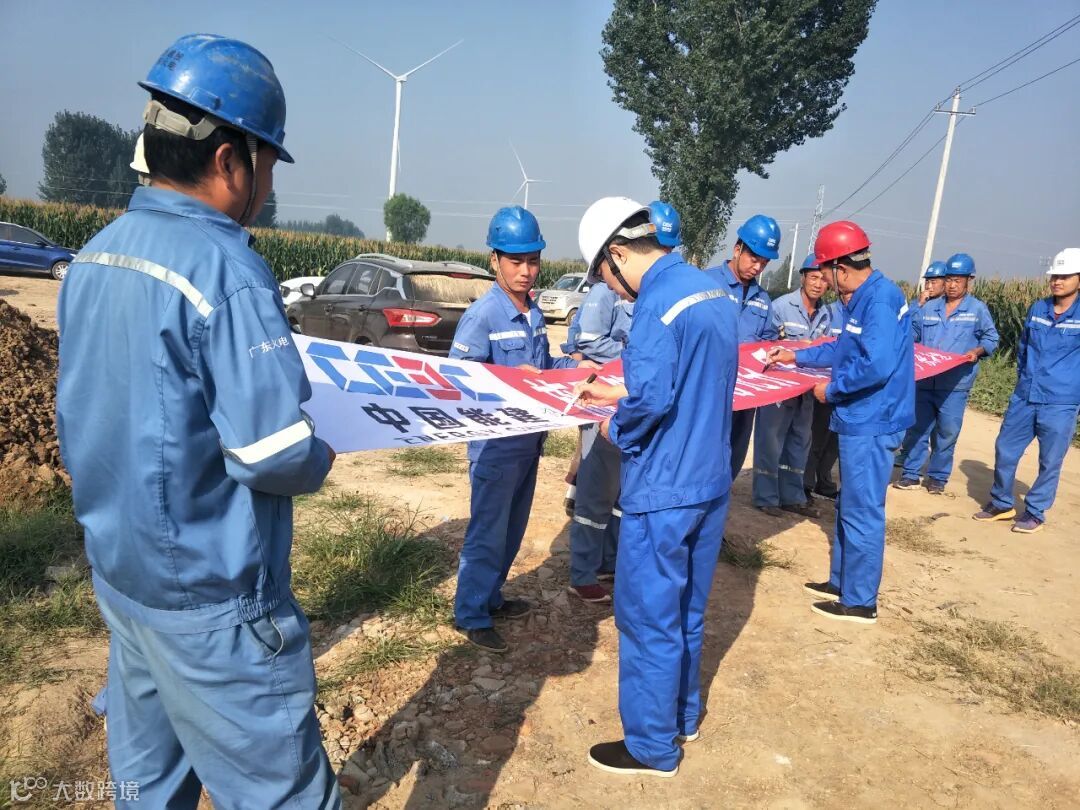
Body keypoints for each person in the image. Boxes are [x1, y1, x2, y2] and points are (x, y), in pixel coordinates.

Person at [55, 34, 341, 808]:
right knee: (285, 795)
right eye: (269, 162)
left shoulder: (96, 256)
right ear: (228, 160)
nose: (268, 184)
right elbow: (271, 452)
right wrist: (324, 451)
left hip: (125, 583)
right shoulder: (227, 270)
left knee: (149, 789)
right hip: (214, 611)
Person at [573, 197, 738, 777]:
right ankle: (682, 716)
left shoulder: (654, 306)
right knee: (688, 611)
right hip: (710, 480)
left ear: (618, 254)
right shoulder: (711, 291)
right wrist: (620, 391)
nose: (608, 286)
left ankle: (651, 747)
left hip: (664, 489)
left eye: (603, 274)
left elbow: (652, 402)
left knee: (648, 619)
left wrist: (612, 424)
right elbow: (690, 381)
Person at [448, 206, 584, 653]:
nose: (526, 271)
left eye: (533, 260)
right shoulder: (483, 315)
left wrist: (577, 367)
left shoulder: (533, 313)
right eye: (516, 261)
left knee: (511, 531)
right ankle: (470, 614)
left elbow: (543, 366)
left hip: (529, 444)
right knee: (487, 533)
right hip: (495, 448)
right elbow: (459, 380)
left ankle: (492, 598)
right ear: (495, 260)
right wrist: (509, 379)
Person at [766, 221, 914, 625]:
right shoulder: (863, 297)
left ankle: (860, 602)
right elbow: (844, 347)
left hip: (873, 419)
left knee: (863, 509)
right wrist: (797, 356)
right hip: (862, 417)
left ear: (841, 268)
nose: (824, 280)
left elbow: (876, 364)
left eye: (825, 271)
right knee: (849, 504)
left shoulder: (878, 301)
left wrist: (831, 390)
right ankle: (842, 583)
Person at [560, 201, 680, 520]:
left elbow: (655, 390)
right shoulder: (615, 292)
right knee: (596, 475)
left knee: (616, 484)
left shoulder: (655, 299)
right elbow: (588, 339)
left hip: (627, 401)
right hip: (610, 393)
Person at [973, 248, 1080, 533]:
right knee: (1005, 448)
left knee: (1050, 460)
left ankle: (1035, 512)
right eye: (1054, 276)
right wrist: (1024, 379)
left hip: (1061, 401)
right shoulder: (1038, 309)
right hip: (1025, 394)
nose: (1057, 281)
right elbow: (1023, 348)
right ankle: (1001, 502)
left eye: (1065, 276)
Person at [895, 253, 999, 493]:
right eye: (949, 280)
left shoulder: (977, 309)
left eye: (958, 281)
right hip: (925, 381)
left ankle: (937, 478)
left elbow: (991, 338)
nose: (952, 285)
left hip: (955, 384)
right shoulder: (930, 308)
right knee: (918, 428)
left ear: (969, 281)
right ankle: (910, 474)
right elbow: (912, 335)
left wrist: (977, 351)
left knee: (947, 432)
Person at [752, 254, 831, 518]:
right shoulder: (781, 307)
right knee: (770, 441)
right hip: (778, 388)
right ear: (803, 277)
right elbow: (765, 345)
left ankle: (792, 496)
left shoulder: (826, 314)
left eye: (823, 279)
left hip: (805, 391)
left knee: (799, 442)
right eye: (813, 277)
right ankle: (766, 496)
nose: (818, 284)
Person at [705, 214, 781, 479]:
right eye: (754, 259)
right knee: (703, 454)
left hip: (745, 395)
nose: (758, 267)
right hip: (707, 391)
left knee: (734, 454)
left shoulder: (763, 299)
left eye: (764, 263)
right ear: (737, 249)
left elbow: (769, 340)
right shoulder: (706, 283)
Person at [803, 285, 847, 502]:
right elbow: (821, 347)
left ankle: (824, 480)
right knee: (817, 437)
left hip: (846, 386)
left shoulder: (861, 315)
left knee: (834, 440)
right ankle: (806, 483)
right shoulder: (828, 313)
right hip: (824, 385)